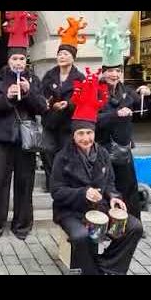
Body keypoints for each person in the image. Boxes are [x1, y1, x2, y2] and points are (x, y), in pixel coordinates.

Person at [51, 79, 143, 274]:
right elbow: (56, 192)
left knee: (134, 226)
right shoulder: (62, 157)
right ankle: (92, 271)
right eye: (81, 134)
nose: (86, 138)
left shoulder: (101, 153)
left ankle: (109, 267)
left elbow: (110, 183)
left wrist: (115, 198)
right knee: (82, 236)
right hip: (71, 212)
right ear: (73, 136)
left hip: (99, 208)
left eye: (89, 133)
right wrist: (83, 193)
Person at [0, 12, 48, 241]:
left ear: (26, 60)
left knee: (24, 182)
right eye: (14, 59)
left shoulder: (34, 80)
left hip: (25, 140)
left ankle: (22, 225)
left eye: (21, 59)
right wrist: (7, 98)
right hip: (1, 139)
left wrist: (29, 93)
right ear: (8, 61)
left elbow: (42, 108)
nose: (18, 63)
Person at [95, 17, 151, 221]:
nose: (114, 74)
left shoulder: (128, 92)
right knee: (104, 189)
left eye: (117, 71)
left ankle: (132, 224)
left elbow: (148, 111)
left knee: (128, 188)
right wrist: (114, 115)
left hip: (123, 149)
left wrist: (149, 95)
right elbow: (93, 120)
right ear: (103, 73)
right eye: (110, 71)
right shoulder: (95, 92)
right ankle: (104, 224)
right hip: (101, 148)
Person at [40, 42, 85, 192]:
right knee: (47, 151)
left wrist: (69, 104)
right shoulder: (49, 75)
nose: (62, 57)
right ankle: (51, 183)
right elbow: (42, 95)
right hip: (51, 121)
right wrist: (49, 103)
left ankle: (65, 184)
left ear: (73, 58)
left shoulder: (79, 77)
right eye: (60, 54)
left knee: (67, 154)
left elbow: (82, 99)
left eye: (66, 54)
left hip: (68, 124)